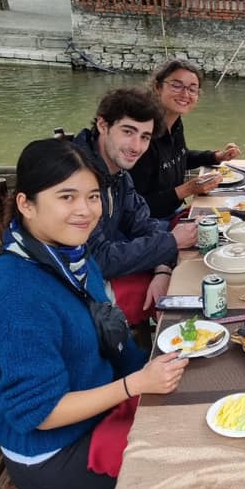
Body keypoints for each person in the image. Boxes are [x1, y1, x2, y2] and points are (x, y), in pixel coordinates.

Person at [0, 139, 188, 489]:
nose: (85, 210)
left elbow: (112, 336)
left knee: (200, 404)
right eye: (66, 197)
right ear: (26, 204)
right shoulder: (19, 293)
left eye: (93, 196)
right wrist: (134, 385)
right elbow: (41, 412)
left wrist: (146, 372)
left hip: (98, 408)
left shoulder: (70, 254)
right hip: (54, 453)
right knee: (191, 456)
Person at [73, 88, 198, 328]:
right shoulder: (77, 178)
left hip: (100, 267)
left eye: (145, 137)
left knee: (179, 279)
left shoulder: (118, 174)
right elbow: (98, 258)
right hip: (74, 288)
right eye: (128, 132)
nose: (136, 146)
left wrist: (162, 268)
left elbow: (143, 224)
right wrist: (170, 244)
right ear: (102, 124)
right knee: (179, 294)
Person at [129, 59, 242, 221]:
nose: (185, 94)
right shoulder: (142, 132)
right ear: (158, 87)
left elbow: (179, 156)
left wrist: (217, 156)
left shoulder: (175, 123)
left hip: (171, 213)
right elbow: (133, 207)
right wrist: (186, 189)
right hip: (147, 224)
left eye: (192, 89)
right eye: (176, 85)